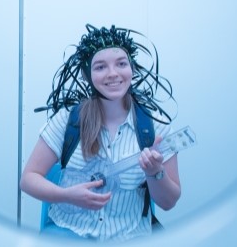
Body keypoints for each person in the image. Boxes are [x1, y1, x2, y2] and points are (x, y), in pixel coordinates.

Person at [20, 24, 181, 242]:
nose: (113, 74)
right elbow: (28, 179)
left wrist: (155, 172)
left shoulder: (155, 128)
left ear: (131, 69)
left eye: (121, 64)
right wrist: (67, 196)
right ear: (89, 75)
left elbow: (168, 203)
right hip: (68, 235)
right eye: (100, 67)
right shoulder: (68, 120)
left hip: (131, 238)